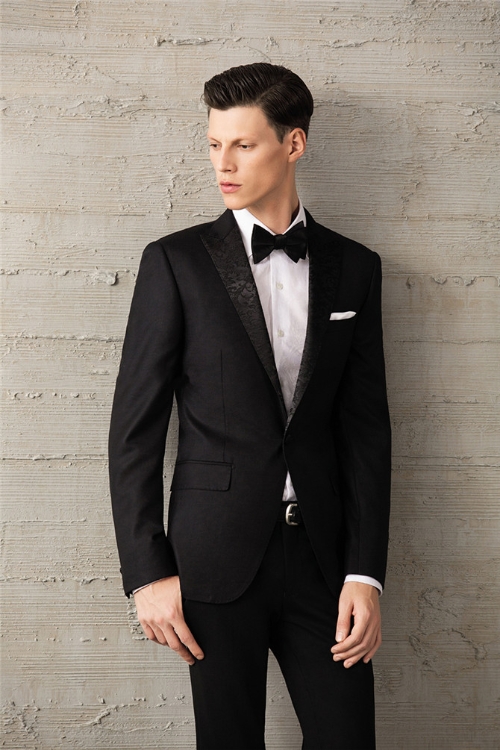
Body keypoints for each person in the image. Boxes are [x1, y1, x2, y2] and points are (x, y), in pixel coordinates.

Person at [109, 62, 391, 749]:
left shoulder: (356, 267)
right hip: (212, 559)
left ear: (294, 144)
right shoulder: (174, 262)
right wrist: (147, 573)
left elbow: (365, 432)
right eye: (214, 144)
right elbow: (135, 432)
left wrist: (365, 572)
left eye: (243, 144)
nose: (223, 164)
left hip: (324, 562)